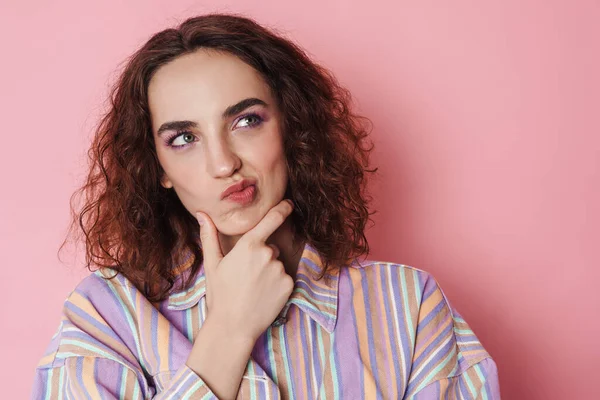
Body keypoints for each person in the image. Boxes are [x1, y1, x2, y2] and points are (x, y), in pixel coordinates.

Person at [31, 13, 500, 399]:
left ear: (291, 127)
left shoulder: (407, 306)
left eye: (245, 120)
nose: (224, 163)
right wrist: (229, 331)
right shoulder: (107, 315)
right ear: (159, 169)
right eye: (185, 138)